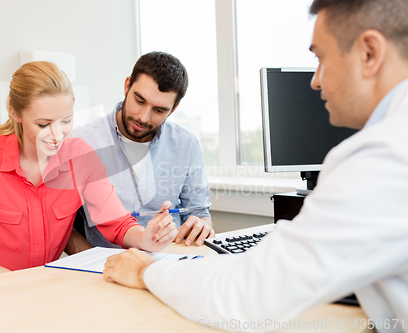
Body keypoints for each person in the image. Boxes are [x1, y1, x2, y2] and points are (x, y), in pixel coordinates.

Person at [102, 1, 408, 331]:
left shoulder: (384, 155)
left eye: (320, 58)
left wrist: (146, 271)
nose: (316, 81)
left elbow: (250, 294)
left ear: (369, 53)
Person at [0, 61, 177, 284]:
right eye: (43, 124)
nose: (56, 135)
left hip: (33, 288)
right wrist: (19, 287)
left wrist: (145, 238)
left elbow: (116, 222)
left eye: (66, 121)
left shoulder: (80, 156)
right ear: (15, 112)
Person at [70, 51, 215, 248]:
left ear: (173, 108)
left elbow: (199, 212)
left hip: (168, 262)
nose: (143, 118)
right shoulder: (82, 142)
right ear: (127, 85)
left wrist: (201, 226)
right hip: (105, 264)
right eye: (139, 101)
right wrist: (92, 261)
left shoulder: (186, 144)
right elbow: (63, 223)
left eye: (159, 110)